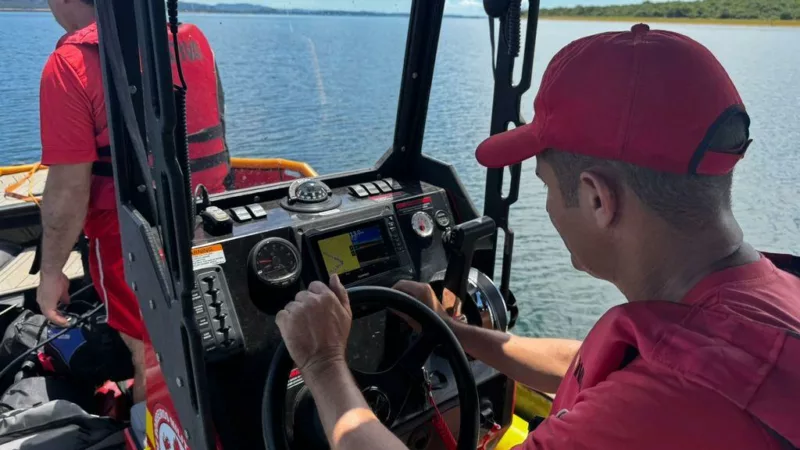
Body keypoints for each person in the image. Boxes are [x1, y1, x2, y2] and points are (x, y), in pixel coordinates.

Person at [275, 24, 800, 449]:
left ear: (598, 199)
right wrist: (456, 333)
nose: (546, 205)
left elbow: (655, 391)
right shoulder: (768, 295)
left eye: (546, 185)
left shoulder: (664, 404)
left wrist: (322, 364)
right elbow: (593, 363)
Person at [36, 0, 230, 408]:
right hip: (211, 219)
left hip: (131, 241)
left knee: (152, 357)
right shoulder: (192, 42)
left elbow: (69, 189)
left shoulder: (69, 64)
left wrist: (51, 273)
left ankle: (150, 430)